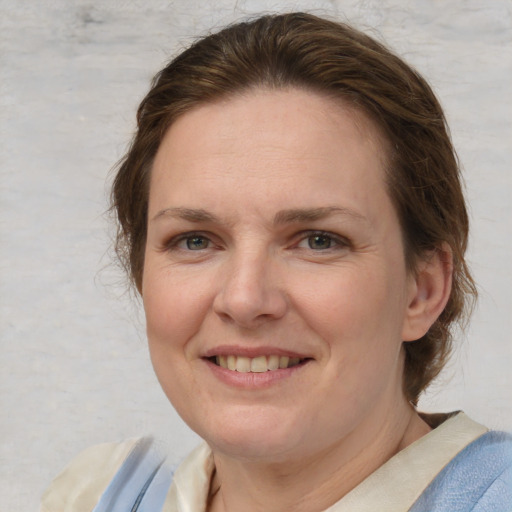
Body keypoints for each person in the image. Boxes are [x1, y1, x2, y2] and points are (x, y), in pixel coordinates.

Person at [41, 12, 512, 512]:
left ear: (422, 290)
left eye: (317, 241)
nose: (244, 299)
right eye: (195, 241)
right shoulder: (96, 500)